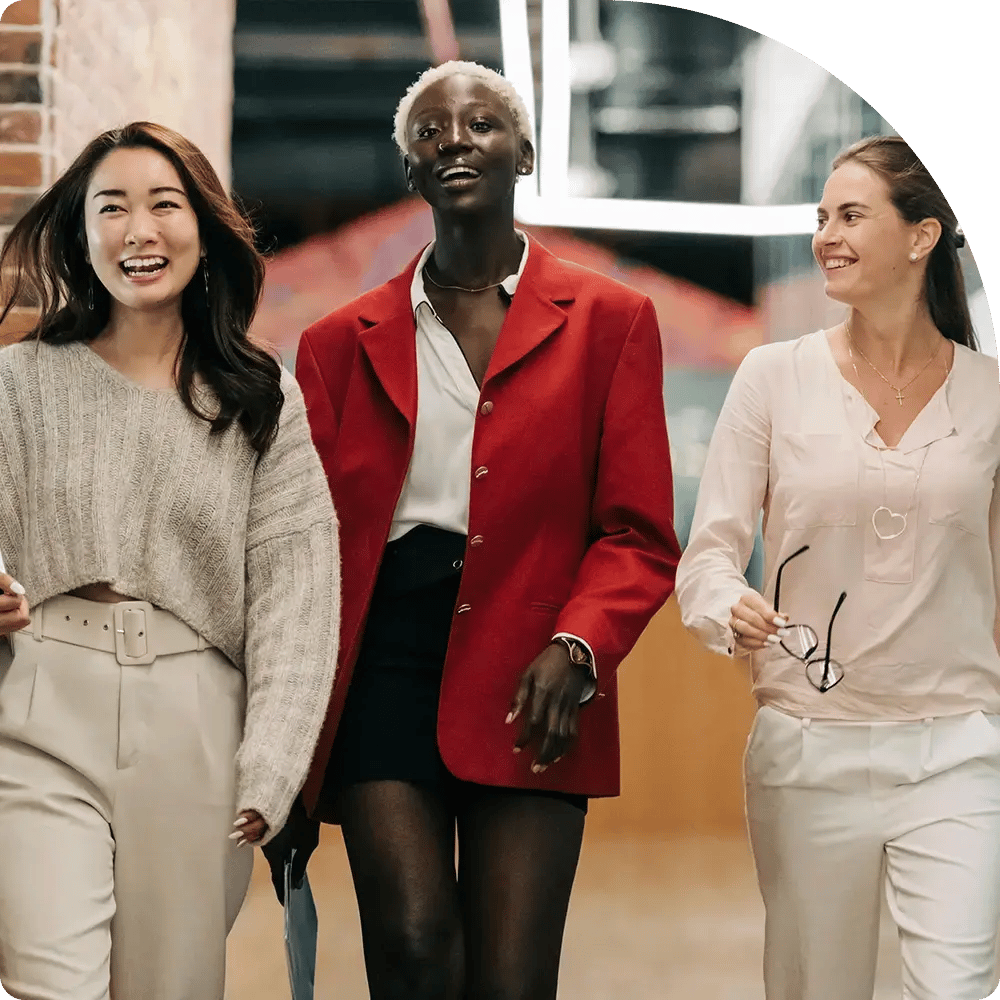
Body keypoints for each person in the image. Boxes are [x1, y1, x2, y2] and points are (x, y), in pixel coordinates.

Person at [262, 60, 681, 999]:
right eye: (431, 131)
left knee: (512, 976)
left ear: (525, 153)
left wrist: (578, 646)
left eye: (483, 123)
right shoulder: (336, 343)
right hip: (381, 662)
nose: (455, 140)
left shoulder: (613, 321)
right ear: (410, 168)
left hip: (539, 665)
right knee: (409, 947)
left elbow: (640, 532)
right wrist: (286, 737)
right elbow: (300, 550)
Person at [0, 122, 340, 1000]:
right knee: (50, 985)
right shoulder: (19, 382)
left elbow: (297, 595)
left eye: (163, 204)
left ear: (205, 226)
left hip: (199, 728)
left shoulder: (261, 401)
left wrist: (274, 759)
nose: (137, 231)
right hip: (38, 704)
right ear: (82, 234)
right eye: (110, 208)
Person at [676, 134, 1000, 1000]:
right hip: (807, 754)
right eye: (821, 218)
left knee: (961, 988)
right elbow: (707, 557)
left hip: (961, 754)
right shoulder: (770, 378)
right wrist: (727, 605)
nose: (826, 235)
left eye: (851, 216)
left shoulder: (992, 396)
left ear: (922, 236)